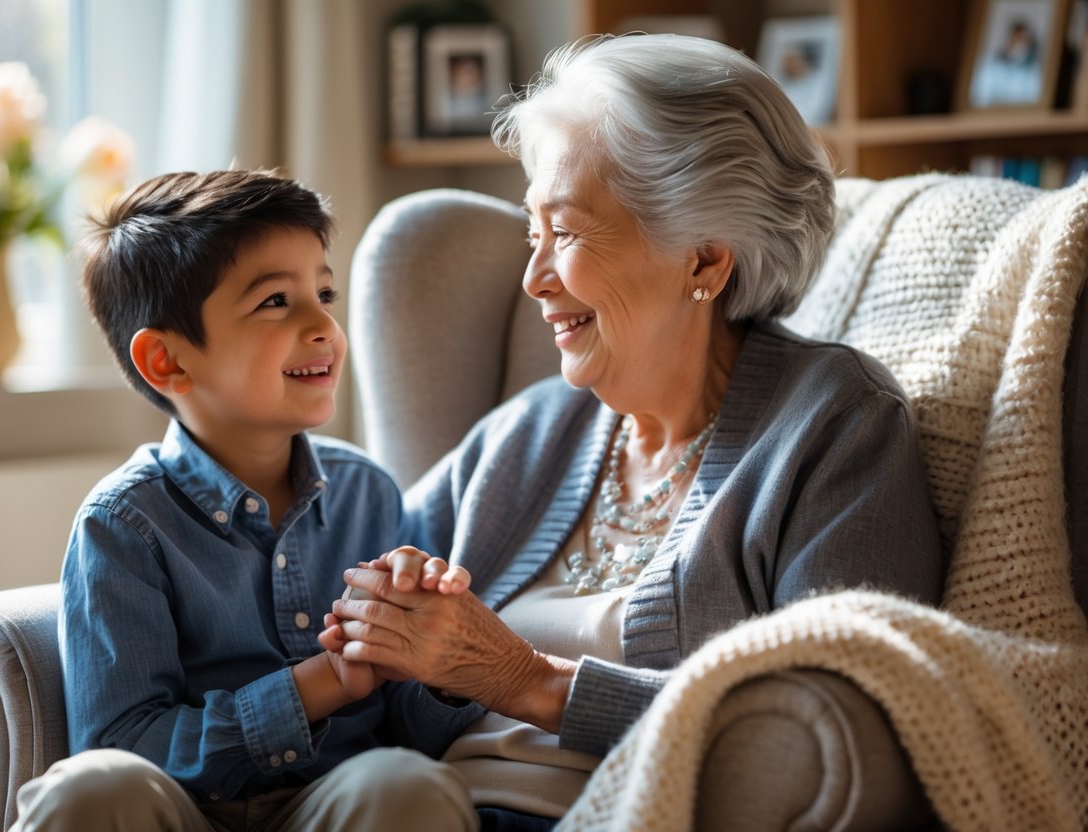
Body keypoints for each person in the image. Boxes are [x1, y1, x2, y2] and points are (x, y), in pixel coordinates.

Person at [324, 33, 945, 829]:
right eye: (530, 233)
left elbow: (837, 723)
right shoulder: (528, 434)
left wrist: (525, 680)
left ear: (703, 261)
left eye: (568, 232)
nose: (533, 278)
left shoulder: (832, 427)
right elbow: (365, 660)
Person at [10, 169, 480, 832]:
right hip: (185, 813)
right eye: (275, 303)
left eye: (323, 292)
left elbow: (418, 731)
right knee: (93, 788)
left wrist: (441, 659)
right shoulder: (123, 524)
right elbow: (125, 743)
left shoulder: (368, 495)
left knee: (408, 785)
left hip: (334, 805)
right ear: (167, 362)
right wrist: (316, 685)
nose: (323, 326)